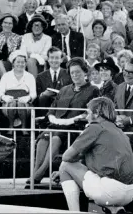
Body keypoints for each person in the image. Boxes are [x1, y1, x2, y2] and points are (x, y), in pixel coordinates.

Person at [56, 97, 133, 213]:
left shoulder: (95, 127)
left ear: (97, 112)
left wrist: (79, 157)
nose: (86, 117)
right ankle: (115, 209)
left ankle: (74, 212)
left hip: (110, 191)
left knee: (64, 166)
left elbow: (66, 157)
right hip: (128, 193)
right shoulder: (117, 129)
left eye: (88, 113)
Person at [28, 57, 99, 186]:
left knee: (55, 138)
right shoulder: (64, 89)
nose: (75, 75)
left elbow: (90, 111)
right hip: (57, 125)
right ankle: (36, 170)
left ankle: (40, 172)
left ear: (85, 72)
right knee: (44, 137)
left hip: (75, 128)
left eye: (78, 72)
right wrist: (52, 118)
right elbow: (52, 109)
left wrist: (74, 120)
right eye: (72, 73)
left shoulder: (93, 90)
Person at [0, 52, 36, 136]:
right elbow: (0, 93)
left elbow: (34, 93)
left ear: (26, 64)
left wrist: (28, 98)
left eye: (23, 62)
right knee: (12, 103)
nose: (20, 64)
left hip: (24, 102)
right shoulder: (6, 76)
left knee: (21, 103)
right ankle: (11, 126)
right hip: (9, 102)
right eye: (18, 62)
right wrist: (4, 97)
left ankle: (24, 127)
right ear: (13, 63)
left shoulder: (30, 76)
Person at [36, 47, 72, 117]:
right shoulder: (40, 76)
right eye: (51, 58)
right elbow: (36, 97)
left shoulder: (68, 74)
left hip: (63, 106)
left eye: (57, 58)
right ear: (48, 59)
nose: (54, 60)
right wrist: (43, 94)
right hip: (45, 107)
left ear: (61, 60)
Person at [0, 13, 21, 79]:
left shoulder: (18, 38)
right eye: (5, 23)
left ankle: (6, 81)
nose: (7, 25)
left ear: (13, 25)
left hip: (12, 64)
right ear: (1, 24)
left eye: (10, 23)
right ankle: (7, 81)